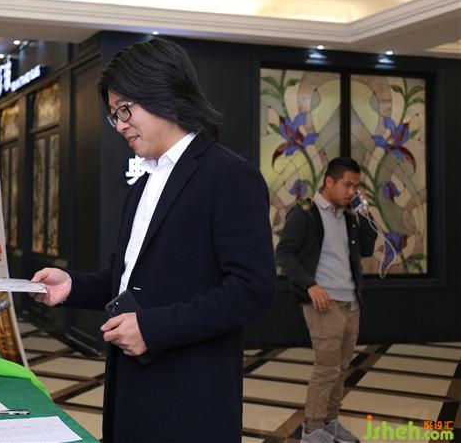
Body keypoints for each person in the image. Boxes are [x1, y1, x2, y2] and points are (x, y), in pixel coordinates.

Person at [32, 38, 277, 442]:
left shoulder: (229, 176)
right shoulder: (143, 184)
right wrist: (72, 285)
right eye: (114, 115)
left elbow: (252, 290)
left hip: (190, 397)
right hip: (130, 388)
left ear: (164, 93)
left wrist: (152, 328)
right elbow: (126, 277)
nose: (119, 125)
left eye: (125, 110)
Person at [277, 157, 377, 443]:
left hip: (351, 302)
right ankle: (312, 429)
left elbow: (367, 249)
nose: (352, 192)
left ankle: (330, 422)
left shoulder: (350, 216)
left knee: (341, 369)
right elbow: (284, 253)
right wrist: (310, 286)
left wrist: (365, 212)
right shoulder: (305, 214)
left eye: (356, 187)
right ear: (329, 181)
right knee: (327, 369)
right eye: (347, 185)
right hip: (324, 302)